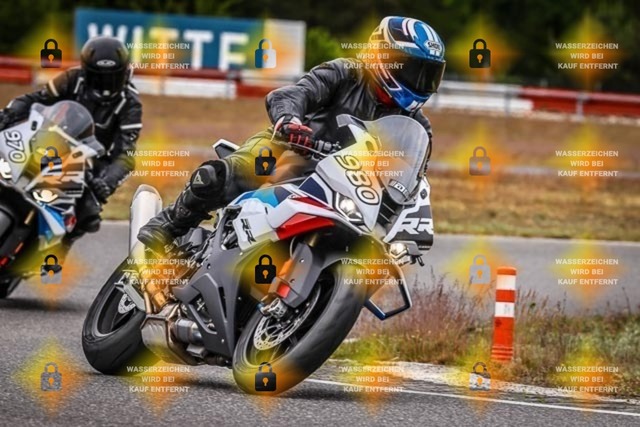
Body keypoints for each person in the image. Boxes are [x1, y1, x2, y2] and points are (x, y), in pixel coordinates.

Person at [138, 16, 445, 254]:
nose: (420, 81)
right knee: (220, 175)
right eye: (413, 69)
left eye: (429, 74)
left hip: (347, 192)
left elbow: (410, 182)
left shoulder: (418, 126)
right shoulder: (345, 73)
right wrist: (290, 121)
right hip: (291, 153)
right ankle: (169, 223)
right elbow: (292, 94)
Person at [0, 36, 142, 256]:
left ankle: (56, 252)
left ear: (124, 74)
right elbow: (34, 99)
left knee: (89, 212)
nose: (105, 86)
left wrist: (106, 182)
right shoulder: (71, 78)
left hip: (90, 161)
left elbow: (126, 154)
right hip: (50, 139)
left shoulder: (130, 104)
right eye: (98, 78)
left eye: (111, 78)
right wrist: (8, 114)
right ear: (86, 71)